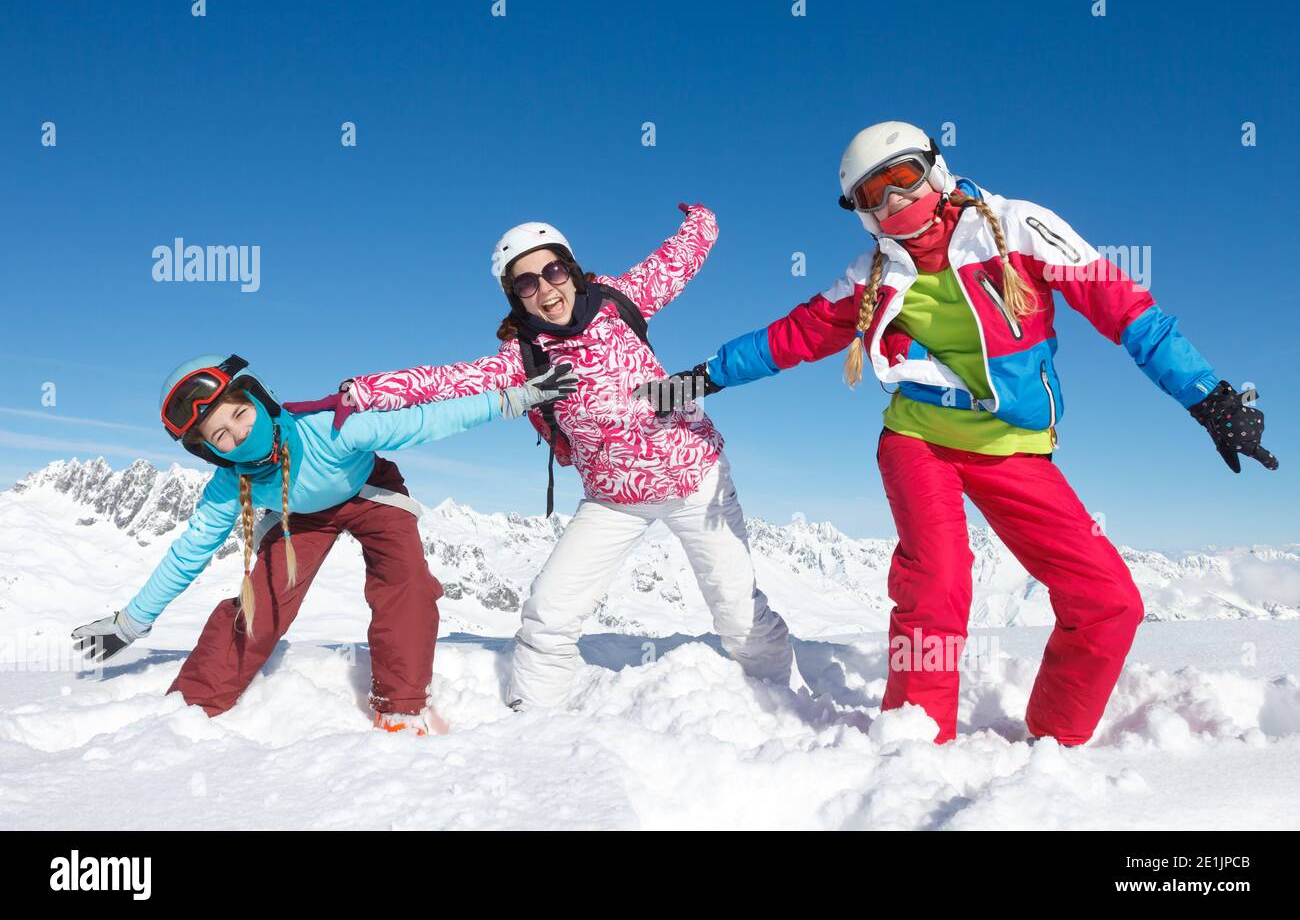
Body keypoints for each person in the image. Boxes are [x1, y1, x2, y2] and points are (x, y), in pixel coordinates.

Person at [644, 122, 1277, 745]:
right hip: (918, 441)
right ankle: (915, 744)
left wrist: (1208, 397)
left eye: (902, 178)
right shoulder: (873, 275)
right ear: (861, 213)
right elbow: (793, 336)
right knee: (938, 581)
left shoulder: (1018, 229)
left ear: (935, 169)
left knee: (1109, 600)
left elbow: (1128, 311)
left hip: (1010, 447)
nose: (894, 201)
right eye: (873, 195)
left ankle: (1057, 742)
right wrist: (700, 379)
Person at [322, 204, 796, 710]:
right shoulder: (523, 357)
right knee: (549, 612)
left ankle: (781, 703)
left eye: (552, 271)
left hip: (695, 481)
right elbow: (447, 380)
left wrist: (701, 218)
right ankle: (534, 724)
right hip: (612, 500)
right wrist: (367, 390)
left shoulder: (622, 300)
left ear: (570, 268)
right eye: (526, 284)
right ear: (515, 297)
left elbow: (679, 258)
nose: (546, 290)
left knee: (738, 614)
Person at [71, 353, 575, 734]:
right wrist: (129, 625)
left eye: (239, 416)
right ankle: (192, 707)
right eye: (221, 437)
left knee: (406, 586)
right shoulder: (232, 484)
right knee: (262, 601)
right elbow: (188, 554)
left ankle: (399, 707)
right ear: (209, 453)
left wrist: (514, 399)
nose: (238, 436)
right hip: (299, 514)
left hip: (368, 492)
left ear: (260, 400)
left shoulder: (331, 427)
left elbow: (424, 420)